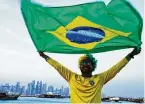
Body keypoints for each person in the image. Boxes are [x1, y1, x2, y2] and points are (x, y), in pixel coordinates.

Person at [39, 48, 141, 103]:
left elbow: (116, 68)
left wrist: (130, 55)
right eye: (83, 63)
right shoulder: (71, 77)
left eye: (88, 63)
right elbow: (58, 66)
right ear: (80, 66)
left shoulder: (100, 78)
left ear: (93, 66)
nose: (85, 65)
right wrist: (45, 56)